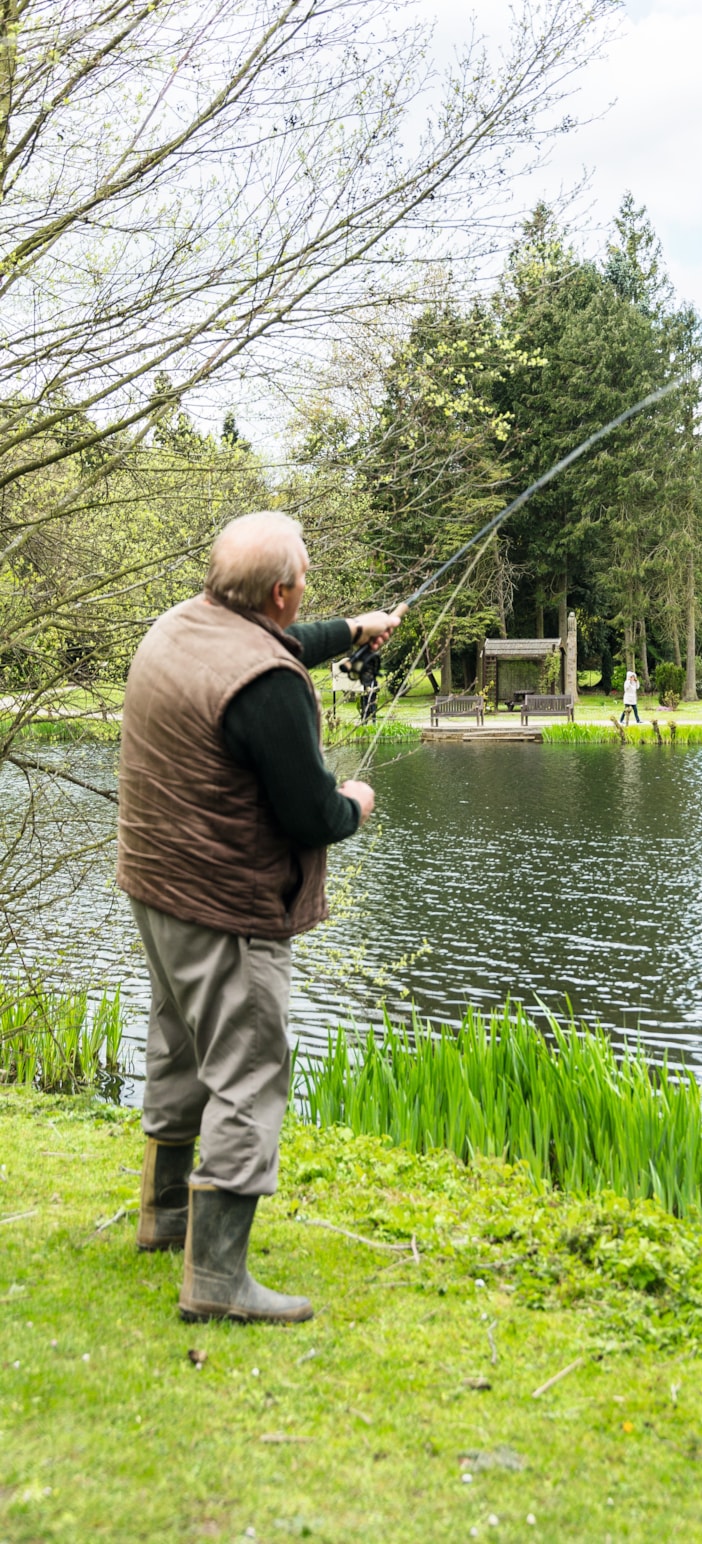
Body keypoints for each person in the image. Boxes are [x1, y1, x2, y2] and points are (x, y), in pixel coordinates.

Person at [116, 512, 404, 1325]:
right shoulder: (269, 688)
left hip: (157, 887)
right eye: (303, 575)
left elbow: (270, 645)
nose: (307, 582)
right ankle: (216, 1281)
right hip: (225, 905)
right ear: (280, 590)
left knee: (178, 1044)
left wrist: (353, 630)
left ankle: (165, 1218)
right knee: (248, 1070)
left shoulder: (180, 627)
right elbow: (311, 816)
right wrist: (355, 803)